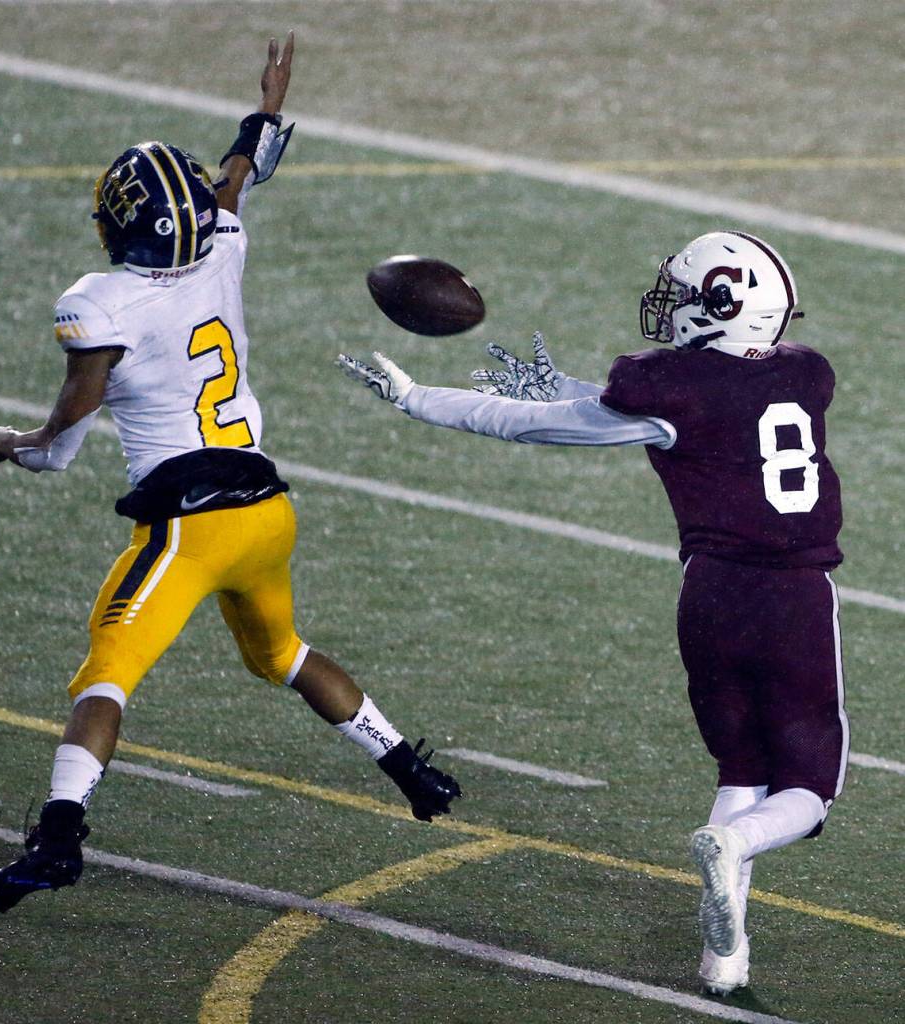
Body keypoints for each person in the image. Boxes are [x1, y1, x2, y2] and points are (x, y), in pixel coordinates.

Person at [0, 33, 460, 916]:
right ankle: (409, 768)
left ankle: (59, 839)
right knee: (282, 653)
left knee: (105, 673)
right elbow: (236, 176)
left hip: (191, 525)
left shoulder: (103, 298)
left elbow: (79, 405)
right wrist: (265, 110)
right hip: (266, 512)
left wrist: (26, 444)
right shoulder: (222, 240)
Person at [339, 230, 848, 996]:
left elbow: (548, 424)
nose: (672, 306)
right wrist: (571, 386)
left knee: (741, 764)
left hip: (709, 595)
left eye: (684, 294)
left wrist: (422, 400)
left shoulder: (669, 388)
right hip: (795, 596)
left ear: (719, 305)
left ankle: (725, 960)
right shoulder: (807, 374)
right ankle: (733, 844)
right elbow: (696, 406)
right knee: (808, 790)